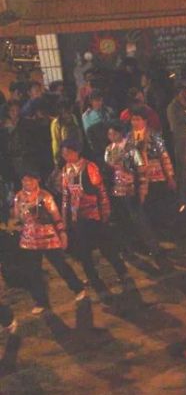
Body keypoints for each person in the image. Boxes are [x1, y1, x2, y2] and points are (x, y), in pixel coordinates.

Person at [59, 138, 130, 299]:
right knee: (83, 253)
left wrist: (104, 214)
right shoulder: (66, 170)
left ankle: (122, 272)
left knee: (106, 248)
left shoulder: (89, 167)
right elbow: (65, 197)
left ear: (76, 152)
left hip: (93, 216)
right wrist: (65, 220)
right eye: (63, 153)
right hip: (78, 219)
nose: (65, 156)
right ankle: (94, 280)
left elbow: (101, 192)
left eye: (68, 152)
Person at [11, 166, 88, 314]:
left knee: (60, 265)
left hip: (48, 238)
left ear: (37, 181)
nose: (26, 183)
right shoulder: (19, 197)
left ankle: (78, 287)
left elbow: (56, 216)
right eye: (24, 180)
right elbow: (18, 216)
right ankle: (41, 301)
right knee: (33, 271)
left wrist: (62, 233)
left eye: (30, 180)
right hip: (29, 240)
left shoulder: (45, 196)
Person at [105, 123, 162, 262]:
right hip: (117, 191)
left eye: (113, 134)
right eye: (109, 134)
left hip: (131, 190)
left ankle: (153, 247)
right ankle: (130, 247)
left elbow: (141, 168)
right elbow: (108, 167)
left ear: (120, 134)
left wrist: (141, 189)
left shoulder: (131, 149)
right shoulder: (109, 149)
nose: (111, 137)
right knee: (124, 220)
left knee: (139, 219)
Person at [126, 112, 176, 232]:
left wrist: (170, 177)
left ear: (145, 121)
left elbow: (164, 156)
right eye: (133, 120)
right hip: (138, 177)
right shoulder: (129, 137)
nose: (135, 123)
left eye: (138, 119)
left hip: (156, 176)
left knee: (157, 205)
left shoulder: (154, 135)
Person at [166, 83, 186, 203]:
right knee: (182, 168)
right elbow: (175, 125)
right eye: (184, 92)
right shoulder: (173, 107)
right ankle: (182, 196)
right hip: (180, 140)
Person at [82, 91, 115, 161]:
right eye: (96, 101)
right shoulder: (86, 116)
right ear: (91, 102)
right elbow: (88, 133)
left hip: (111, 142)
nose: (99, 103)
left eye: (100, 100)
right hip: (98, 146)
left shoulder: (107, 111)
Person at [50, 99, 83, 166]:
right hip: (65, 154)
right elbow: (56, 141)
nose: (68, 113)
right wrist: (57, 158)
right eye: (66, 111)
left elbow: (79, 132)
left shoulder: (73, 117)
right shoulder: (56, 123)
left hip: (77, 150)